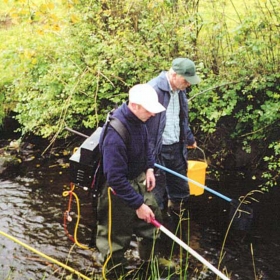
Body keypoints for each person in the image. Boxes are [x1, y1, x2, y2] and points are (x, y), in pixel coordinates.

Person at [96, 84, 166, 274]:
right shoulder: (115, 133)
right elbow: (115, 178)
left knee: (153, 222)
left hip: (138, 179)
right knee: (116, 239)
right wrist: (137, 205)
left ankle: (149, 263)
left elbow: (146, 145)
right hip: (117, 189)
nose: (152, 114)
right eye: (149, 109)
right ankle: (113, 273)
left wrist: (149, 168)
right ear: (134, 105)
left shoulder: (139, 120)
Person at [146, 57, 200, 235]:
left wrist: (189, 138)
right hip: (157, 152)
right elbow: (142, 126)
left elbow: (181, 118)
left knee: (181, 192)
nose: (188, 85)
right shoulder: (153, 90)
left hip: (177, 148)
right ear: (174, 74)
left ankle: (179, 229)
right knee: (156, 197)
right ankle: (156, 237)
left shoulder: (180, 90)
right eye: (186, 80)